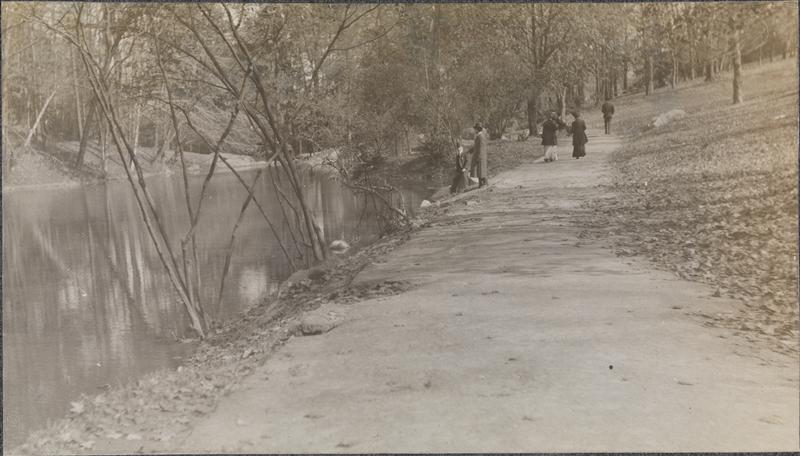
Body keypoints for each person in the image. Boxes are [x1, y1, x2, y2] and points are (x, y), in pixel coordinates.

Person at [468, 122, 488, 187]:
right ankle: (482, 183)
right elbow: (476, 146)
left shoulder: (480, 136)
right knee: (480, 169)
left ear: (477, 129)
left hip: (480, 155)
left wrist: (479, 156)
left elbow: (481, 147)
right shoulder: (479, 136)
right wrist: (470, 151)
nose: (474, 130)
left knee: (481, 170)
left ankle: (483, 183)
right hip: (479, 155)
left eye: (475, 129)